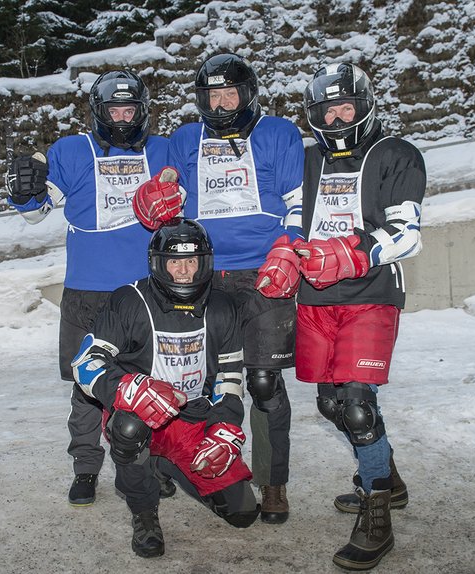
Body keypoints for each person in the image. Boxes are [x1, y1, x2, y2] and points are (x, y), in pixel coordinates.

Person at [255, 63, 425, 570]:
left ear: (365, 105)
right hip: (315, 299)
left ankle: (376, 514)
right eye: (327, 110)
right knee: (332, 404)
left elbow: (408, 232)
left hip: (369, 293)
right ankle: (388, 480)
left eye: (345, 107)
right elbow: (294, 218)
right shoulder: (309, 161)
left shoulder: (396, 154)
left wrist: (353, 253)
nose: (336, 117)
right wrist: (285, 252)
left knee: (356, 405)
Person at [131, 53, 304, 524]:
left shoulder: (279, 133)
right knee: (185, 378)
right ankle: (176, 459)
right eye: (212, 95)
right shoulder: (186, 138)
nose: (222, 103)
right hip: (201, 273)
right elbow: (167, 198)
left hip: (264, 271)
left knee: (264, 382)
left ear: (248, 93)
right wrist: (155, 201)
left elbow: (298, 203)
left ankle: (272, 482)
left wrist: (290, 249)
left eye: (230, 93)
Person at [5, 69, 174, 507]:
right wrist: (22, 190)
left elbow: (185, 205)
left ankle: (152, 464)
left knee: (150, 380)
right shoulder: (71, 150)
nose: (122, 118)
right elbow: (36, 213)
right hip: (87, 290)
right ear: (98, 112)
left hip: (146, 288)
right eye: (114, 109)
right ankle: (85, 467)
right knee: (87, 387)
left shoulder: (162, 149)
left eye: (129, 109)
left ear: (143, 111)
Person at [70, 218, 259, 557]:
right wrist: (125, 388)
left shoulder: (223, 306)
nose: (184, 271)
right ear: (159, 263)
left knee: (243, 512)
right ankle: (144, 512)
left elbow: (230, 379)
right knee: (129, 428)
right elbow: (85, 362)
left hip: (193, 419)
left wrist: (225, 429)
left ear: (206, 262)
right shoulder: (129, 300)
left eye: (192, 260)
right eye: (175, 262)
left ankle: (163, 465)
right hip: (140, 417)